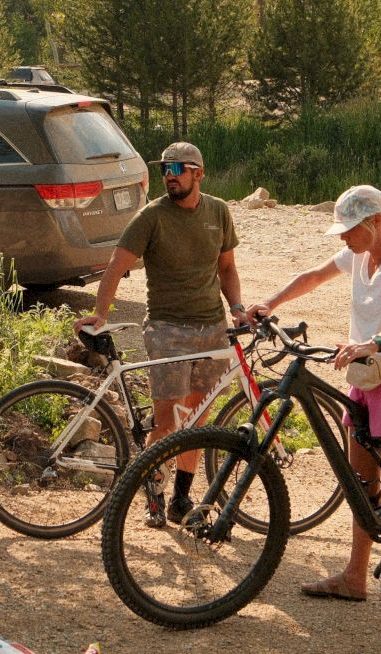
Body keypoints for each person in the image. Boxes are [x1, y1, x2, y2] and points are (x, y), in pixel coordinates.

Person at [245, 185, 381, 651]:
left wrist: (373, 341)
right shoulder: (358, 258)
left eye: (348, 231)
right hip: (366, 377)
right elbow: (312, 276)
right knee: (361, 483)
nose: (342, 240)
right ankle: (356, 576)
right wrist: (270, 303)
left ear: (375, 223)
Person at [73, 141, 248, 528]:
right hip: (167, 328)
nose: (170, 176)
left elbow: (228, 269)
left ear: (198, 173)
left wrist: (236, 309)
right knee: (166, 422)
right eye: (165, 169)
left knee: (197, 419)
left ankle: (182, 500)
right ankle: (154, 494)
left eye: (178, 169)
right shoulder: (151, 216)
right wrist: (99, 314)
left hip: (211, 327)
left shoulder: (218, 212)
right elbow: (116, 267)